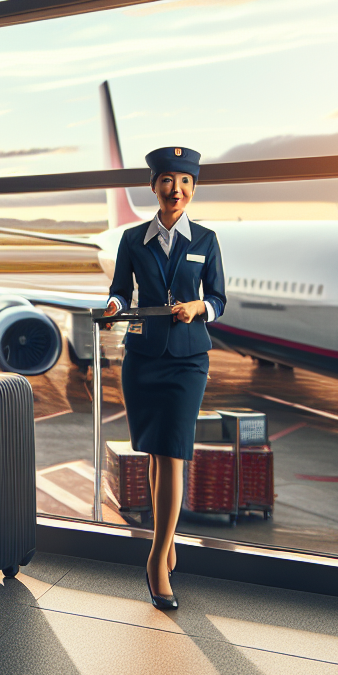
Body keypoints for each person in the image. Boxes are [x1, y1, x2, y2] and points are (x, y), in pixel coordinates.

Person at [101, 146, 226, 610]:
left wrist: (199, 308)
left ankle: (156, 560)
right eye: (168, 181)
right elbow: (120, 290)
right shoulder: (134, 239)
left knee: (172, 453)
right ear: (153, 186)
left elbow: (218, 298)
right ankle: (166, 538)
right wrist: (114, 308)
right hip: (144, 356)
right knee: (154, 453)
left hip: (189, 358)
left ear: (193, 188)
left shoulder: (207, 240)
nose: (177, 190)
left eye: (186, 182)